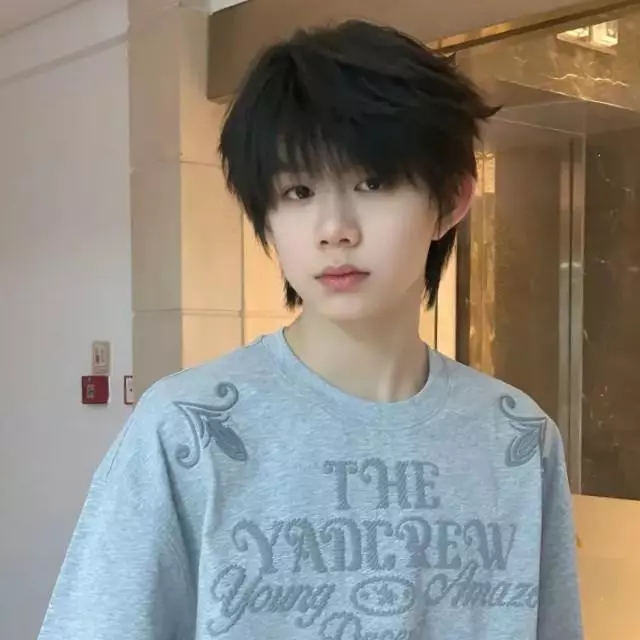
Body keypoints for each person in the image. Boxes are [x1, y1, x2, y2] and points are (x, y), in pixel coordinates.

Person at [38, 19, 583, 640]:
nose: (334, 229)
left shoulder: (518, 439)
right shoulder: (187, 430)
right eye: (298, 191)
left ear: (452, 200)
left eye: (373, 182)